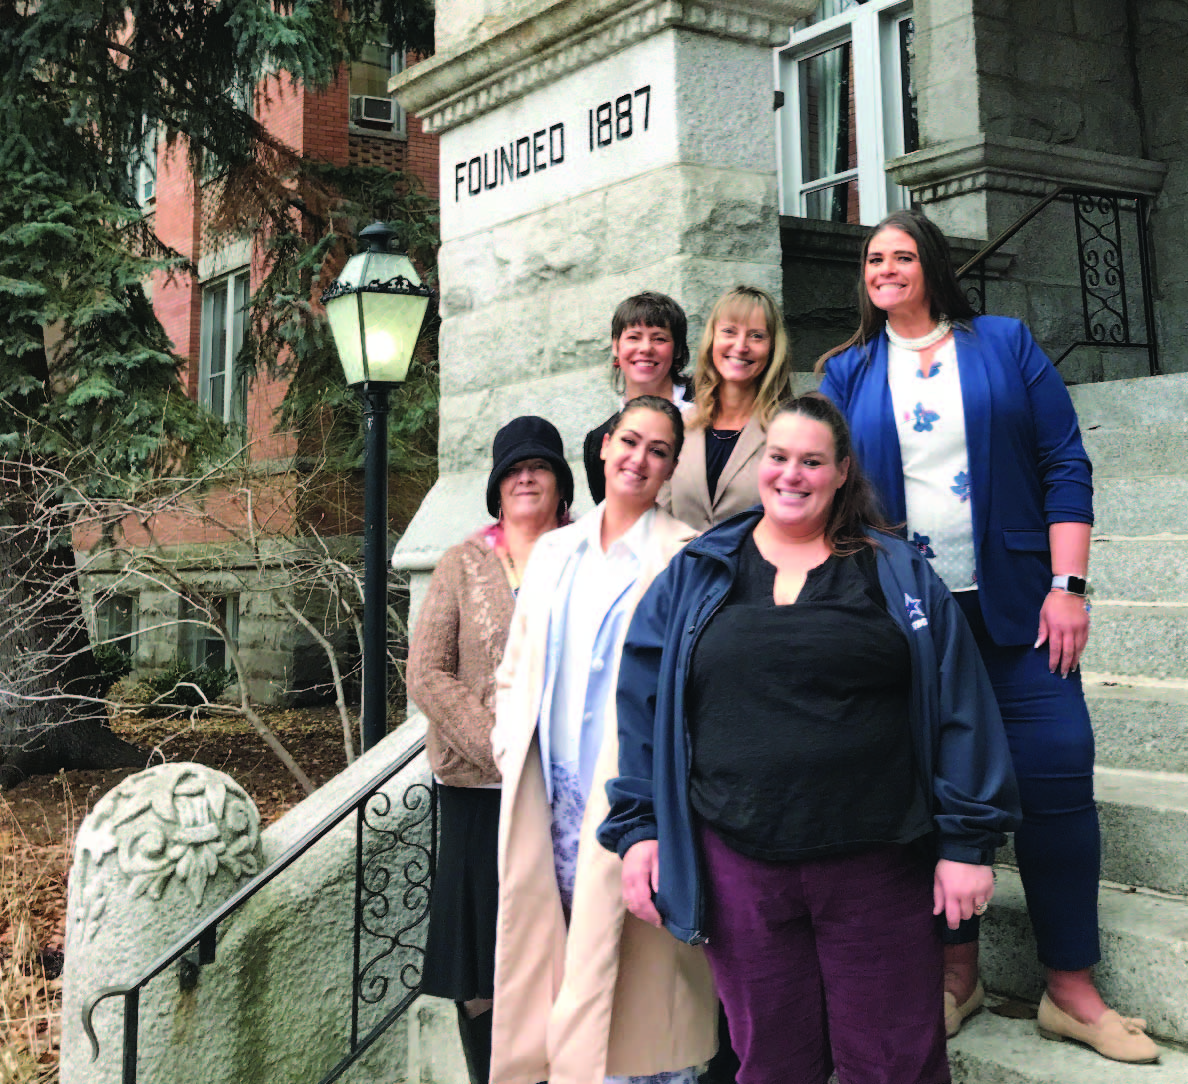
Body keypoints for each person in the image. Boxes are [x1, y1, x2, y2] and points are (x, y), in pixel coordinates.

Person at [817, 208, 1159, 1064]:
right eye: (872, 259)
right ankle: (956, 976)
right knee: (933, 796)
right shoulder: (847, 371)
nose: (885, 268)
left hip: (1015, 609)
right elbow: (827, 497)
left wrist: (1068, 586)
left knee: (1056, 774)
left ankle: (1071, 989)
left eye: (901, 254)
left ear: (930, 265)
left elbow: (1064, 463)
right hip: (910, 621)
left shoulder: (1003, 343)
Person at [599, 393, 1021, 1084]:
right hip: (739, 867)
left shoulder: (896, 572)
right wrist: (640, 829)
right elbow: (643, 707)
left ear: (842, 472)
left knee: (894, 1064)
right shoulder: (700, 571)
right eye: (779, 457)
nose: (792, 475)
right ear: (761, 462)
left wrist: (968, 844)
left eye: (812, 462)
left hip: (879, 865)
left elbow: (961, 706)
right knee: (771, 1062)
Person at [490, 396, 715, 1084]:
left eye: (657, 450)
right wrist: (508, 744)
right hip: (549, 794)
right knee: (548, 955)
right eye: (629, 441)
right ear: (605, 446)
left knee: (639, 980)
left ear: (672, 467)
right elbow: (515, 666)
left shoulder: (687, 557)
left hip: (633, 799)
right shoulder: (555, 550)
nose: (639, 459)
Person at [406, 415, 574, 1084]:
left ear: (562, 483)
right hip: (480, 798)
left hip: (564, 798)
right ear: (497, 489)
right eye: (512, 469)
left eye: (539, 465)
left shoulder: (586, 555)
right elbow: (426, 672)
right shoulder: (462, 562)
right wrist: (499, 746)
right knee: (481, 967)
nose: (525, 475)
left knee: (557, 956)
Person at [660, 285, 791, 531]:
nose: (741, 346)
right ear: (712, 340)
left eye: (756, 336)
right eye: (729, 331)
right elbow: (659, 517)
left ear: (773, 348)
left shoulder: (789, 430)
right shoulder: (679, 425)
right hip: (683, 567)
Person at [583, 291, 695, 505]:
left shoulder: (710, 404)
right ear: (616, 347)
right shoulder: (599, 441)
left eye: (659, 339)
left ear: (678, 350)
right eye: (634, 337)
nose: (645, 348)